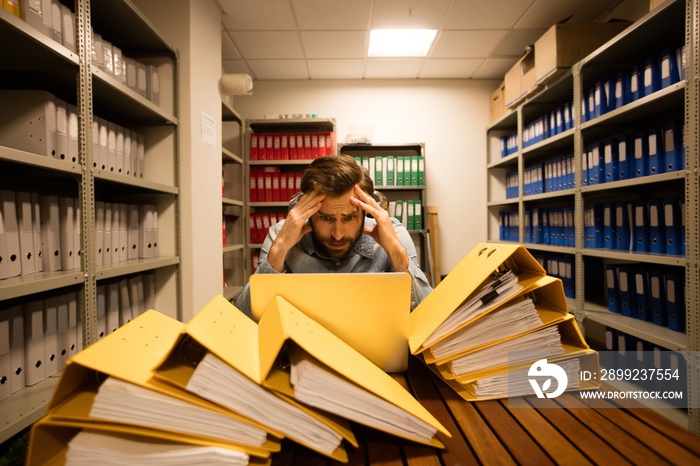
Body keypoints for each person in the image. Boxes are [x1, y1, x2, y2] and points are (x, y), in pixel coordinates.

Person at [235, 154, 432, 318]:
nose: (337, 234)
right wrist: (278, 251)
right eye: (326, 218)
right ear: (307, 211)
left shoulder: (393, 236)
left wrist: (397, 255)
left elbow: (428, 319)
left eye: (349, 218)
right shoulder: (281, 236)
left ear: (367, 212)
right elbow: (243, 321)